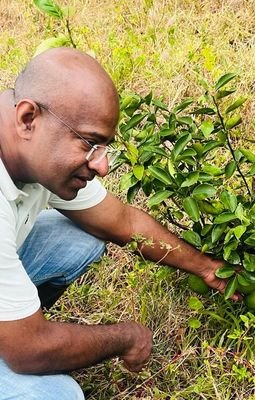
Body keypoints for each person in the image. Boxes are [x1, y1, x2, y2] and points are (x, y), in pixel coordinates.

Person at [0, 47, 233, 399]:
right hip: (25, 343)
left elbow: (121, 221)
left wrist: (206, 268)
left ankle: (12, 316)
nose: (102, 166)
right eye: (90, 143)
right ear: (28, 118)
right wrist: (126, 336)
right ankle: (13, 327)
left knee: (80, 240)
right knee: (56, 395)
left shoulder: (25, 140)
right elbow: (30, 349)